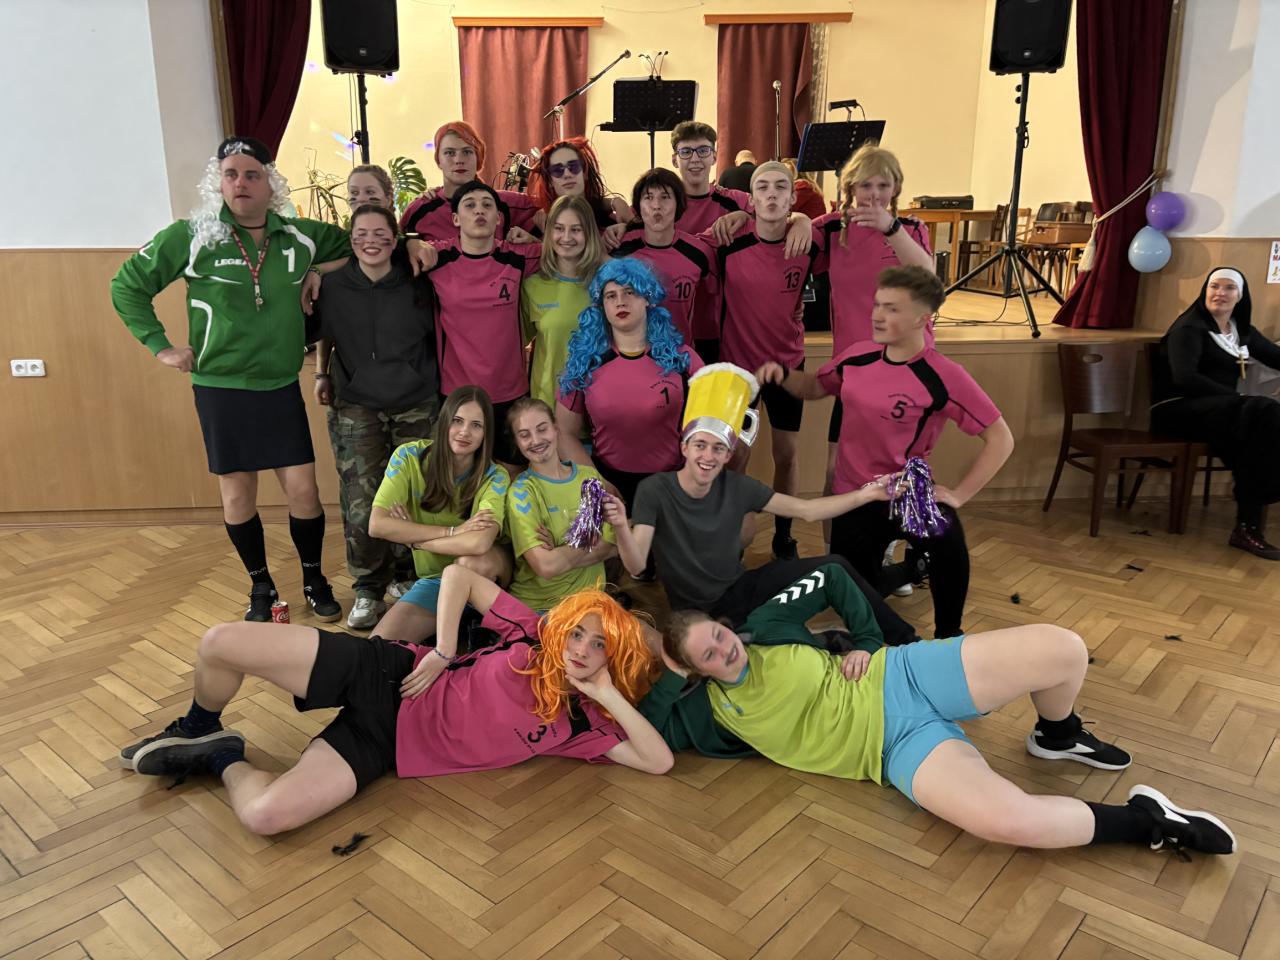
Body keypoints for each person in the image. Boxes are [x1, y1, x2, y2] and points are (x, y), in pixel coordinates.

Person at [653, 565, 1236, 859]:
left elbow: (830, 574)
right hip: (893, 748)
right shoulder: (709, 713)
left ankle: (1057, 735)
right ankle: (1149, 823)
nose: (725, 650)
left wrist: (868, 641)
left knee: (1063, 649)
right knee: (1009, 822)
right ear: (695, 670)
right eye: (708, 655)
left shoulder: (766, 626)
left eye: (719, 635)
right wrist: (650, 678)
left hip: (900, 674)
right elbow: (652, 736)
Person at [118, 562, 672, 836]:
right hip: (387, 673)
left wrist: (604, 693)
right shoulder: (532, 632)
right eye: (579, 634)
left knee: (265, 816)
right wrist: (444, 650)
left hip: (386, 744)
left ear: (615, 660)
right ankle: (198, 724)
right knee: (220, 643)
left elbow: (657, 761)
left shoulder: (583, 724)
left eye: (600, 646)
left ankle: (220, 754)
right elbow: (458, 574)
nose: (581, 649)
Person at [111, 136, 349, 622]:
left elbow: (359, 244)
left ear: (271, 184)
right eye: (231, 174)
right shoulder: (192, 236)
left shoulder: (301, 236)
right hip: (221, 389)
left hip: (279, 386)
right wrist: (160, 345)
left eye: (252, 174)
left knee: (304, 491)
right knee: (238, 495)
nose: (241, 183)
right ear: (217, 183)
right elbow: (127, 285)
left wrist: (319, 271)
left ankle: (313, 577)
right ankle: (261, 586)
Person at [758, 266, 1014, 640]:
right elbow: (814, 387)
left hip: (907, 493)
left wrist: (960, 494)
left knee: (950, 547)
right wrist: (782, 375)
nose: (877, 315)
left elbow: (1001, 438)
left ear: (922, 319)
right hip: (854, 496)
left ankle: (948, 637)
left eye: (892, 308)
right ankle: (910, 575)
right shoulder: (857, 357)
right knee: (859, 596)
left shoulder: (944, 376)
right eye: (877, 305)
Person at [604, 414, 918, 637]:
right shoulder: (655, 490)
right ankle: (832, 638)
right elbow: (635, 565)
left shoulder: (738, 486)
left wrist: (868, 494)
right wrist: (620, 527)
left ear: (728, 455)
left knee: (835, 567)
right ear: (684, 448)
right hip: (698, 616)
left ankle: (906, 640)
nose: (708, 455)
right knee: (773, 646)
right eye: (700, 445)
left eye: (718, 448)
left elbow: (807, 510)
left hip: (745, 590)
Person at [310, 204, 440, 630]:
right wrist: (320, 373)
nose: (371, 241)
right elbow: (325, 332)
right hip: (355, 403)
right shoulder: (331, 285)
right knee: (361, 497)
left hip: (416, 400)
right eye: (361, 234)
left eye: (381, 233)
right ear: (350, 240)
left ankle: (407, 575)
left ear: (395, 237)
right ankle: (368, 587)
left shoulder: (418, 277)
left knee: (413, 491)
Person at [812, 143, 933, 560]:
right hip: (855, 374)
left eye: (884, 185)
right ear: (851, 188)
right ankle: (834, 557)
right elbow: (789, 240)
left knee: (900, 470)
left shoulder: (910, 228)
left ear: (896, 188)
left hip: (905, 371)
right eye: (866, 185)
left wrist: (890, 228)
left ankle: (893, 553)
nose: (875, 194)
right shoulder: (832, 229)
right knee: (837, 470)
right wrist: (799, 220)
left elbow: (928, 277)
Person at [706, 161, 820, 560]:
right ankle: (732, 537)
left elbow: (835, 229)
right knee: (736, 455)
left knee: (786, 454)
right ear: (751, 199)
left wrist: (804, 221)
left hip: (787, 367)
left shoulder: (808, 243)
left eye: (780, 188)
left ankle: (784, 536)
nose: (772, 194)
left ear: (791, 198)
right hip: (739, 368)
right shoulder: (729, 240)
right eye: (763, 188)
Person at [1152, 267, 1280, 559]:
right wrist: (1237, 398)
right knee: (1263, 412)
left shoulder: (1240, 331)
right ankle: (1261, 505)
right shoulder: (1189, 328)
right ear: (1205, 290)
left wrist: (1236, 402)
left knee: (1254, 443)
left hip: (1222, 413)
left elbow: (1276, 357)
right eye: (1214, 286)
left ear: (1240, 296)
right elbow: (1185, 378)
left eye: (1229, 288)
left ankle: (1247, 529)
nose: (1220, 293)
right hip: (1177, 409)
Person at [365, 386, 511, 643]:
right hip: (435, 580)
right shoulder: (408, 457)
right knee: (379, 645)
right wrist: (453, 532)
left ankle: (469, 623)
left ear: (486, 433)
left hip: (485, 578)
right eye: (457, 421)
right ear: (444, 422)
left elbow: (478, 543)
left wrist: (414, 540)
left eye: (476, 425)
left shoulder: (495, 475)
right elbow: (377, 524)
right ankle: (462, 623)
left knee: (468, 563)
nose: (464, 432)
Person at [557, 258, 703, 509]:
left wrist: (691, 475)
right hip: (608, 484)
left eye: (629, 292)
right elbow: (564, 433)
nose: (620, 302)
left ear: (647, 299)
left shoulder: (682, 359)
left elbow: (711, 424)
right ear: (602, 306)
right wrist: (596, 482)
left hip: (673, 482)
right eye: (610, 296)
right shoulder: (585, 363)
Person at [417, 180, 543, 465]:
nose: (479, 211)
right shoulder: (437, 258)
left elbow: (571, 250)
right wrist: (411, 241)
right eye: (470, 205)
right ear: (455, 219)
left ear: (498, 218)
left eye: (487, 205)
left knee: (511, 472)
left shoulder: (516, 257)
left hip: (510, 391)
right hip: (458, 393)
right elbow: (393, 248)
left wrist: (536, 240)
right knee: (462, 474)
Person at [507, 399, 617, 611]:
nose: (536, 440)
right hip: (541, 607)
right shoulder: (521, 492)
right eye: (524, 435)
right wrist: (589, 536)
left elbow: (609, 547)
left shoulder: (589, 478)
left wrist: (560, 550)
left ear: (556, 429)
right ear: (517, 442)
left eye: (542, 429)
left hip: (591, 602)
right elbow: (546, 566)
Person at [608, 168, 713, 344]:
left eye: (665, 197)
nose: (656, 205)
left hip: (680, 353)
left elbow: (710, 306)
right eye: (648, 197)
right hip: (632, 354)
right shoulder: (619, 248)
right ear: (638, 206)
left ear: (678, 204)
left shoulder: (699, 253)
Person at [521, 195, 606, 410]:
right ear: (549, 233)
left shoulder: (607, 285)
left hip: (599, 408)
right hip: (548, 407)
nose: (566, 237)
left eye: (576, 230)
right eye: (559, 229)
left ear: (589, 234)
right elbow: (513, 346)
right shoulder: (532, 286)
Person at [400, 121, 540, 242]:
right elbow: (395, 247)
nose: (459, 160)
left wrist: (535, 242)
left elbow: (550, 208)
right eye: (449, 153)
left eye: (467, 152)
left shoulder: (505, 203)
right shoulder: (420, 209)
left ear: (478, 157)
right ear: (438, 160)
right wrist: (411, 245)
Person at [526, 137, 632, 232]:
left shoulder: (613, 224)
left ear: (585, 172)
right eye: (557, 170)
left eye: (574, 167)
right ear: (550, 181)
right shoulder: (541, 224)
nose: (567, 174)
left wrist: (616, 202)